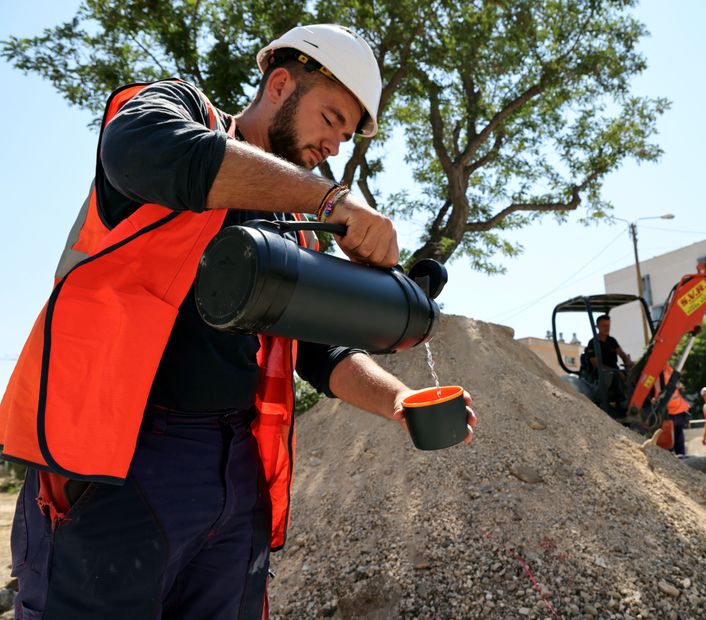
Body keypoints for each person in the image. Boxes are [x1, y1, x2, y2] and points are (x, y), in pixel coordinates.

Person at [0, 24, 476, 619]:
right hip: (121, 459)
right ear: (280, 84)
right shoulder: (179, 113)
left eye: (347, 135)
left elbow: (316, 350)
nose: (335, 146)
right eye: (330, 119)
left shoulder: (297, 227)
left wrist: (401, 402)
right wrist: (331, 200)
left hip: (233, 466)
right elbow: (142, 150)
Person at [659, 365, 691, 456]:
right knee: (678, 435)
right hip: (678, 410)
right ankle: (680, 454)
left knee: (670, 437)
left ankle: (672, 455)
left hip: (669, 412)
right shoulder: (669, 370)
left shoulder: (661, 373)